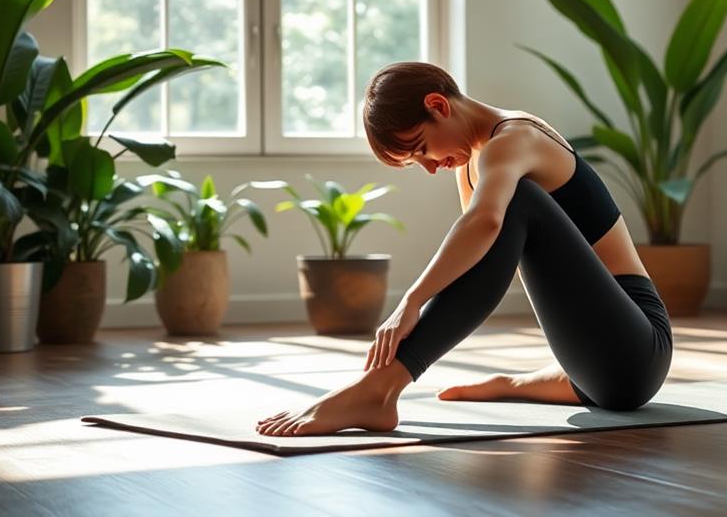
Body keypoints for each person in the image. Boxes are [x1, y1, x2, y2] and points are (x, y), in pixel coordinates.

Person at [256, 61, 673, 437]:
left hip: (637, 349)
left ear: (438, 105)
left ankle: (379, 388)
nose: (431, 166)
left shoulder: (515, 138)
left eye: (421, 148)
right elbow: (481, 261)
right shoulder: (475, 165)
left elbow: (488, 223)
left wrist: (412, 301)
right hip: (594, 370)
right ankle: (507, 384)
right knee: (493, 221)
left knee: (517, 202)